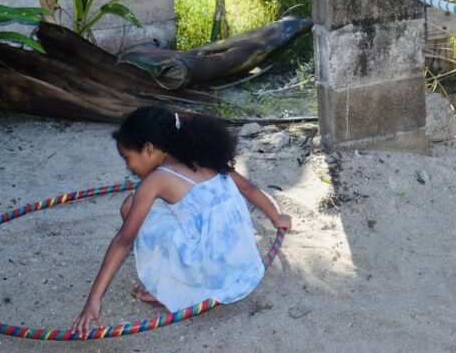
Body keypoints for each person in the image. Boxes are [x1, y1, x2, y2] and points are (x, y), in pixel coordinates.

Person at [72, 107, 292, 336]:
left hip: (210, 269)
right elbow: (249, 188)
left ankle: (170, 287)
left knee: (130, 205)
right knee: (148, 203)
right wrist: (278, 217)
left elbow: (123, 240)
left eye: (128, 159)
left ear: (149, 149)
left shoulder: (157, 180)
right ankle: (180, 280)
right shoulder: (205, 157)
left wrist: (94, 299)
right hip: (240, 262)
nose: (128, 168)